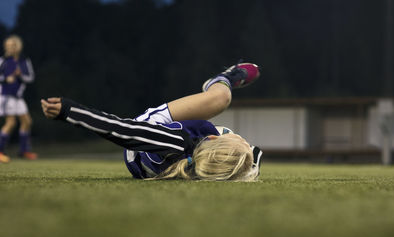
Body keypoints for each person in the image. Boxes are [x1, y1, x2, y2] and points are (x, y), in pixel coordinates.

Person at [41, 62, 263, 181]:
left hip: (148, 131)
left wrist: (70, 111)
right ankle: (223, 81)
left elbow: (121, 129)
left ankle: (224, 79)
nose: (246, 142)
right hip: (187, 151)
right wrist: (249, 163)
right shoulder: (219, 172)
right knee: (242, 156)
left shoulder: (174, 142)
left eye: (240, 139)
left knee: (221, 99)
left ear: (213, 138)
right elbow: (254, 155)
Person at [0, 35, 37, 163]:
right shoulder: (3, 60)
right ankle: (0, 151)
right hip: (5, 96)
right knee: (11, 123)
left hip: (18, 97)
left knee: (27, 121)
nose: (11, 48)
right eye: (9, 45)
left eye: (13, 45)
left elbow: (31, 77)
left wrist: (21, 76)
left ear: (18, 47)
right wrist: (5, 79)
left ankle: (23, 151)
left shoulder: (24, 60)